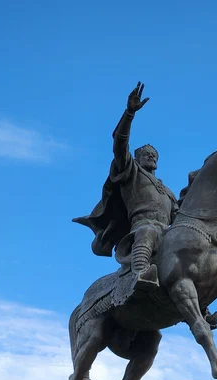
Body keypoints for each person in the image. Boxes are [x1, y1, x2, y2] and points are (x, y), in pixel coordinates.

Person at [73, 82, 179, 291]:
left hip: (167, 232)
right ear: (137, 159)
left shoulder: (168, 192)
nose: (151, 156)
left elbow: (179, 217)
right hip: (142, 227)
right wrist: (129, 113)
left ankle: (202, 300)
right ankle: (140, 272)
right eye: (146, 154)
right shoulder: (132, 173)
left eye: (154, 155)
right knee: (148, 230)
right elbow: (120, 145)